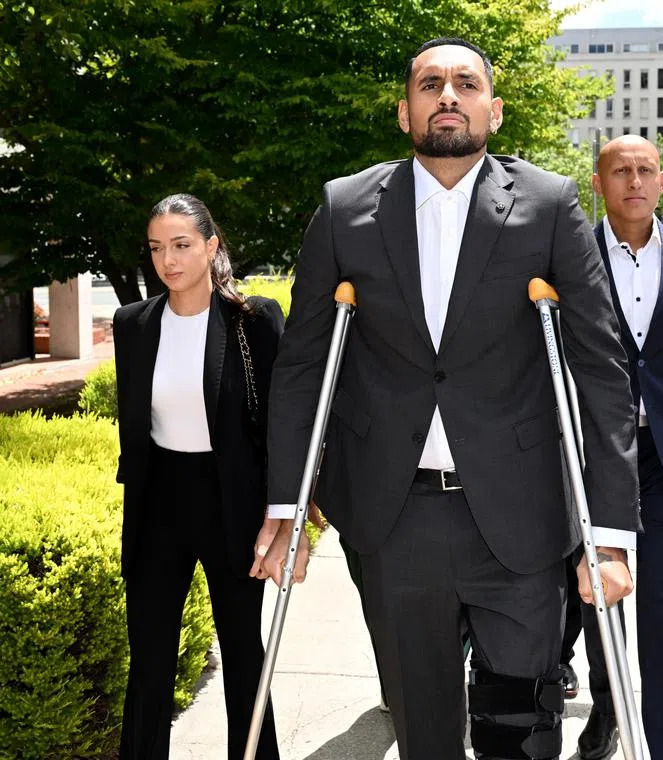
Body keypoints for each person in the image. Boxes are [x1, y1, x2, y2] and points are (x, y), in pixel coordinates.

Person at [255, 37, 641, 760]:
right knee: (423, 731)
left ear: (494, 110)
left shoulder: (548, 204)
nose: (448, 96)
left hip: (522, 512)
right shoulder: (345, 207)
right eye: (429, 84)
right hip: (395, 517)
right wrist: (286, 507)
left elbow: (600, 369)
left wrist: (612, 531)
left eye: (466, 83)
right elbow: (303, 365)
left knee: (520, 731)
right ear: (405, 113)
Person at [113, 194, 285, 759]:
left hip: (231, 502)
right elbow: (135, 424)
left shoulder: (253, 320)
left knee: (243, 654)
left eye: (182, 245)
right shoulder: (133, 324)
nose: (169, 260)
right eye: (157, 248)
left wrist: (283, 515)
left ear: (211, 246)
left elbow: (283, 424)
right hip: (157, 502)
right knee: (150, 659)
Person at [569, 135, 663, 760]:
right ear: (598, 184)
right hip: (596, 455)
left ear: (661, 181)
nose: (634, 181)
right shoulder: (571, 255)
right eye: (621, 171)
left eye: (645, 171)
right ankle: (608, 710)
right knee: (600, 602)